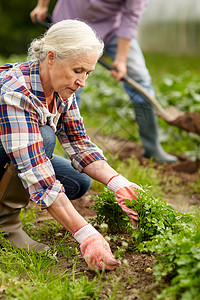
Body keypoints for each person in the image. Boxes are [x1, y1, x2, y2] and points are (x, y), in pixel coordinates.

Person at [0, 19, 143, 271]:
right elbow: (37, 172)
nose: (82, 82)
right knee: (44, 138)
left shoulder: (61, 89)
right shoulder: (15, 91)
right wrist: (86, 234)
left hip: (13, 152)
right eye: (77, 71)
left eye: (88, 73)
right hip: (13, 152)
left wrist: (120, 185)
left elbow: (80, 144)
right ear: (52, 58)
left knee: (77, 182)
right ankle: (5, 225)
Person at [30, 0, 178, 164]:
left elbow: (131, 17)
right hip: (70, 23)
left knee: (139, 77)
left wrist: (121, 59)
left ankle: (153, 148)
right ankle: (69, 154)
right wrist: (42, 5)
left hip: (112, 28)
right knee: (68, 82)